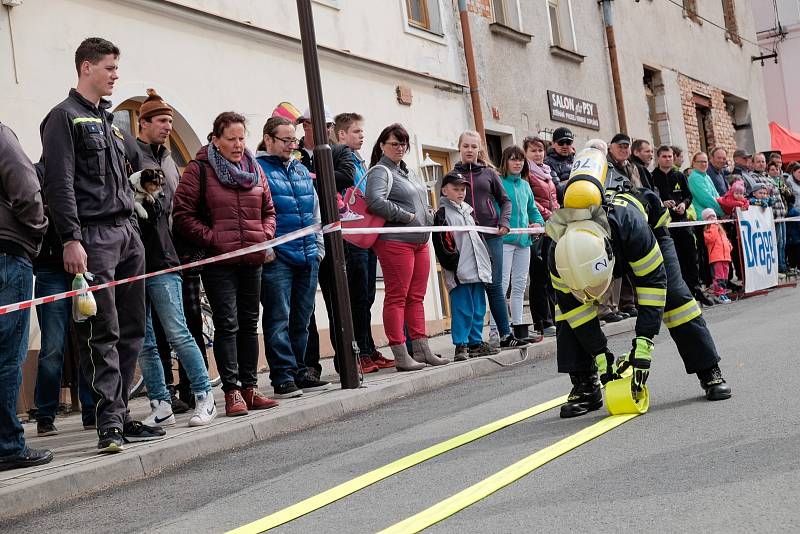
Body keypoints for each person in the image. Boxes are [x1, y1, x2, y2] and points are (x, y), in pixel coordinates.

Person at [40, 37, 162, 453]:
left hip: (128, 232)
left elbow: (139, 159)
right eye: (109, 68)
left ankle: (122, 414)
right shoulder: (63, 117)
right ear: (86, 67)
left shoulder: (111, 121)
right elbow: (58, 185)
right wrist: (71, 238)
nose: (115, 76)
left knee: (133, 330)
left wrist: (147, 178)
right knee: (104, 330)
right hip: (93, 236)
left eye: (116, 68)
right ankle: (108, 422)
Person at [548, 147, 731, 418]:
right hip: (606, 242)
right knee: (565, 313)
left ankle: (709, 370)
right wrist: (602, 356)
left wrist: (643, 345)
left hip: (650, 232)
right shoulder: (557, 251)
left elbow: (652, 289)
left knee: (676, 299)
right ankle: (585, 385)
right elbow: (576, 312)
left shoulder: (631, 227)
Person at [173, 112, 277, 417]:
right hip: (220, 262)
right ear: (215, 140)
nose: (238, 144)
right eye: (231, 139)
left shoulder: (255, 169)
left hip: (253, 259)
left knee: (249, 324)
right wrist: (214, 239)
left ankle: (250, 387)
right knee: (226, 324)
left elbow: (269, 211)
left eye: (242, 138)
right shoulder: (200, 169)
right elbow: (182, 215)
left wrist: (264, 234)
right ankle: (231, 392)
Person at [130, 91, 219, 428]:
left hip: (164, 258)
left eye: (170, 121)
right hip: (133, 260)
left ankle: (204, 396)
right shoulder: (130, 154)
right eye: (163, 121)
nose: (168, 126)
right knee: (146, 340)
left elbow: (171, 211)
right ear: (145, 123)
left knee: (178, 332)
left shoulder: (166, 158)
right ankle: (159, 402)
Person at [257, 117, 331, 398]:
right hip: (278, 257)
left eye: (294, 140)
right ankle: (283, 377)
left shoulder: (300, 170)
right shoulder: (258, 169)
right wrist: (266, 248)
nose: (292, 145)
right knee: (278, 318)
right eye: (286, 140)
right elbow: (256, 213)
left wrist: (319, 247)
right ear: (269, 139)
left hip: (308, 254)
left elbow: (315, 212)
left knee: (302, 317)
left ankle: (301, 370)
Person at [365, 123, 448, 370]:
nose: (400, 148)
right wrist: (407, 216)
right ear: (382, 145)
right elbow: (374, 201)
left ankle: (422, 351)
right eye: (394, 143)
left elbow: (419, 200)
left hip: (420, 241)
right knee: (397, 297)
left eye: (403, 143)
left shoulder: (408, 171)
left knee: (416, 297)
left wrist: (428, 214)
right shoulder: (380, 171)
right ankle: (401, 354)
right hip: (396, 242)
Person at [444, 130, 527, 349]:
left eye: (474, 146)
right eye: (466, 146)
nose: (470, 150)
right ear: (459, 148)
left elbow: (505, 200)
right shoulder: (453, 175)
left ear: (479, 149)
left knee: (495, 285)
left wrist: (505, 222)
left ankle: (505, 334)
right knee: (473, 287)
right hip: (467, 239)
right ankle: (472, 340)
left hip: (490, 235)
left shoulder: (489, 174)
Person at [0, 121, 52, 470]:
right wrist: (36, 233)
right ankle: (7, 446)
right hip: (6, 254)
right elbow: (27, 188)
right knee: (6, 355)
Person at [297, 106, 356, 380]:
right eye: (319, 125)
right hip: (303, 236)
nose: (327, 130)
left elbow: (346, 177)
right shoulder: (295, 152)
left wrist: (311, 176)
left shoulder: (338, 152)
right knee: (305, 305)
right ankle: (309, 366)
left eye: (329, 126)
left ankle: (346, 359)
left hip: (332, 237)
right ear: (305, 125)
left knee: (337, 302)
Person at [334, 112, 394, 373]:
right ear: (341, 135)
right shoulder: (339, 159)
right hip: (351, 237)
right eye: (356, 131)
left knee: (368, 296)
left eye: (361, 131)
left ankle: (368, 348)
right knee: (356, 298)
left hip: (368, 234)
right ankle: (357, 353)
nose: (361, 135)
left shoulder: (360, 161)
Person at [432, 173, 492, 361]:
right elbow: (442, 243)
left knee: (478, 307)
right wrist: (453, 264)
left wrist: (486, 260)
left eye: (463, 189)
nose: (460, 193)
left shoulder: (469, 211)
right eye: (456, 189)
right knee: (462, 308)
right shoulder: (442, 214)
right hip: (460, 271)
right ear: (444, 191)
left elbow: (478, 238)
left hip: (477, 269)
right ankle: (461, 344)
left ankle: (475, 341)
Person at [651, 146, 712, 307]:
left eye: (670, 156)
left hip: (682, 222)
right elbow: (650, 198)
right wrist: (662, 203)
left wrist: (684, 205)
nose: (668, 159)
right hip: (665, 226)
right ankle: (679, 294)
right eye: (664, 156)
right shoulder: (652, 177)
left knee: (691, 257)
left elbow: (688, 196)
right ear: (658, 158)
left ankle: (696, 289)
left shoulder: (679, 175)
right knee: (673, 260)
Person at [496, 145, 544, 342]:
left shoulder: (525, 185)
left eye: (520, 160)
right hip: (505, 240)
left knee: (519, 285)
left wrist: (538, 224)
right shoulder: (498, 182)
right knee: (501, 285)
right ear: (505, 162)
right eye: (513, 159)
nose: (517, 163)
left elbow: (532, 209)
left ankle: (518, 327)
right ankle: (498, 330)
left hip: (524, 241)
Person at [525, 136, 558, 337]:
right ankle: (542, 321)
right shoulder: (527, 174)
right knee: (539, 276)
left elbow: (552, 198)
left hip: (552, 227)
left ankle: (554, 318)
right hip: (538, 228)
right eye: (533, 151)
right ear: (526, 153)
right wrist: (547, 214)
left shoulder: (546, 172)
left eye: (540, 150)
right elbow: (531, 200)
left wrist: (558, 213)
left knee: (552, 273)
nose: (538, 154)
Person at [753, 153, 787, 274]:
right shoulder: (754, 177)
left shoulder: (768, 177)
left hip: (780, 214)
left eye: (763, 161)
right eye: (758, 161)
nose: (761, 163)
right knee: (775, 243)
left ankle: (782, 266)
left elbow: (779, 193)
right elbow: (762, 194)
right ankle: (777, 269)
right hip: (771, 216)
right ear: (753, 164)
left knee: (782, 242)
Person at [702, 209, 733, 304]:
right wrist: (713, 227)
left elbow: (725, 240)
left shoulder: (721, 230)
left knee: (724, 277)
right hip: (716, 258)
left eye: (714, 216)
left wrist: (729, 246)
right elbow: (711, 239)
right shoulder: (708, 230)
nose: (713, 218)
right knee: (718, 277)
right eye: (710, 217)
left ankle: (722, 292)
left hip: (725, 257)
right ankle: (719, 294)